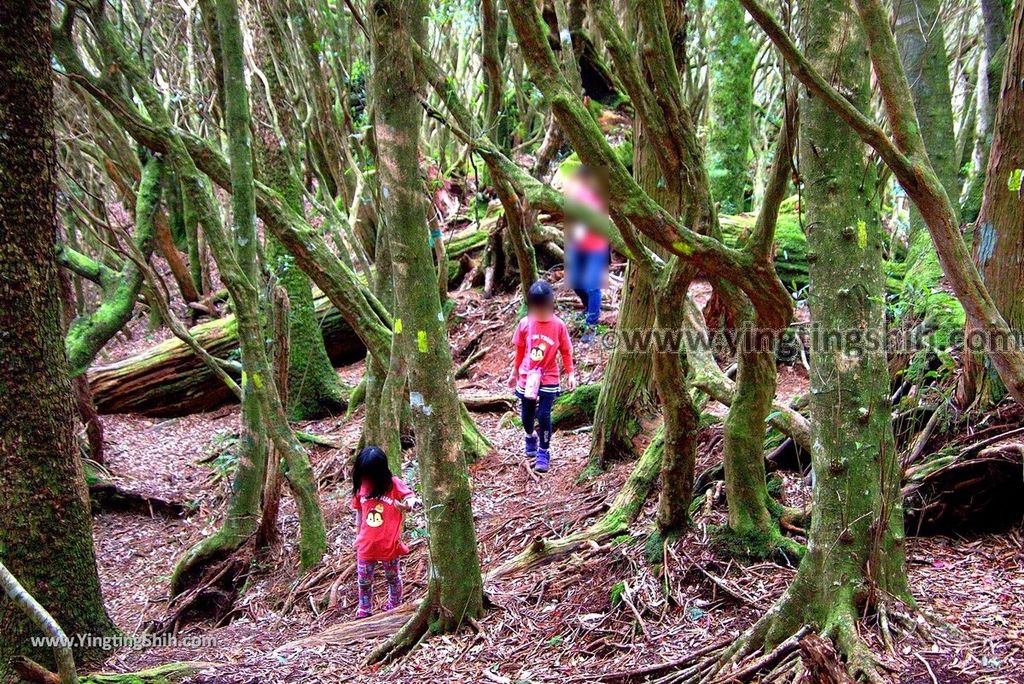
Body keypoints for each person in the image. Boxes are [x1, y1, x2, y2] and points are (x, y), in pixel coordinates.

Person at [507, 281, 576, 472]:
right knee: (527, 417)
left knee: (544, 414)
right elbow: (520, 351)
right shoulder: (525, 324)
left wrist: (570, 373)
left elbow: (566, 351)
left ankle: (544, 451)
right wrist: (514, 373)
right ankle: (530, 436)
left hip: (549, 376)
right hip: (527, 376)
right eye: (535, 308)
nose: (539, 312)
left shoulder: (558, 326)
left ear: (550, 304)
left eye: (543, 307)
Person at [350, 446, 416, 618]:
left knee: (392, 577)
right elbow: (359, 513)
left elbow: (410, 497)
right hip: (366, 544)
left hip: (389, 543)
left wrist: (408, 505)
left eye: (371, 474)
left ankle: (394, 605)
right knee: (364, 580)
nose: (367, 478)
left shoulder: (393, 484)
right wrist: (357, 536)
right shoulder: (361, 487)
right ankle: (364, 609)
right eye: (364, 474)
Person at [564, 165, 610, 343]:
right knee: (575, 280)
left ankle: (591, 325)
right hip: (578, 245)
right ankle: (588, 307)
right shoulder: (574, 197)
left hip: (596, 245)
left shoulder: (599, 197)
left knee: (592, 285)